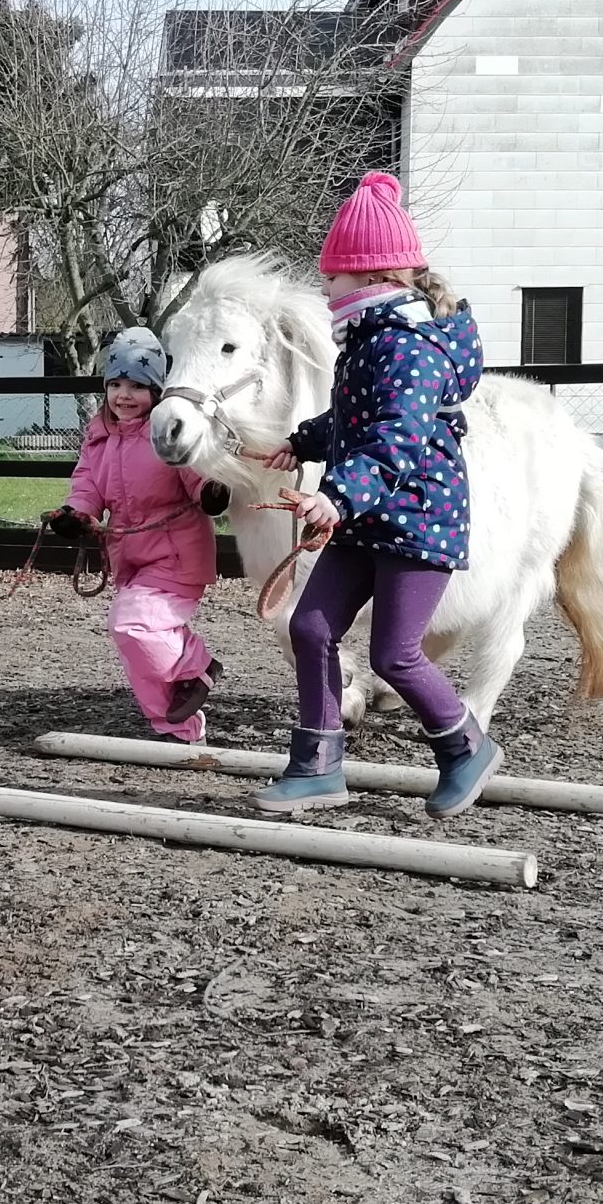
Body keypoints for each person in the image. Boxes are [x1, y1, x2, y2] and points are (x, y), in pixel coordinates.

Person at [253, 172, 503, 819]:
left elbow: (397, 437)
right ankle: (317, 767)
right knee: (310, 627)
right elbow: (355, 418)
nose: (324, 286)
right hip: (368, 517)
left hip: (418, 521)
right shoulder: (369, 340)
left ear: (368, 276)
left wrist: (336, 496)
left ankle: (466, 748)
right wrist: (303, 443)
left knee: (394, 655)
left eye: (331, 275)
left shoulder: (408, 347)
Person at [43, 329, 232, 743]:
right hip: (130, 557)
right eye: (115, 384)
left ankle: (196, 664)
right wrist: (76, 514)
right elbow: (87, 483)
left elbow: (196, 476)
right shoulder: (99, 435)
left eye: (136, 386)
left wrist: (210, 491)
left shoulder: (169, 431)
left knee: (132, 625)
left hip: (177, 554)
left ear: (156, 390)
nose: (123, 395)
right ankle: (179, 730)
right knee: (134, 645)